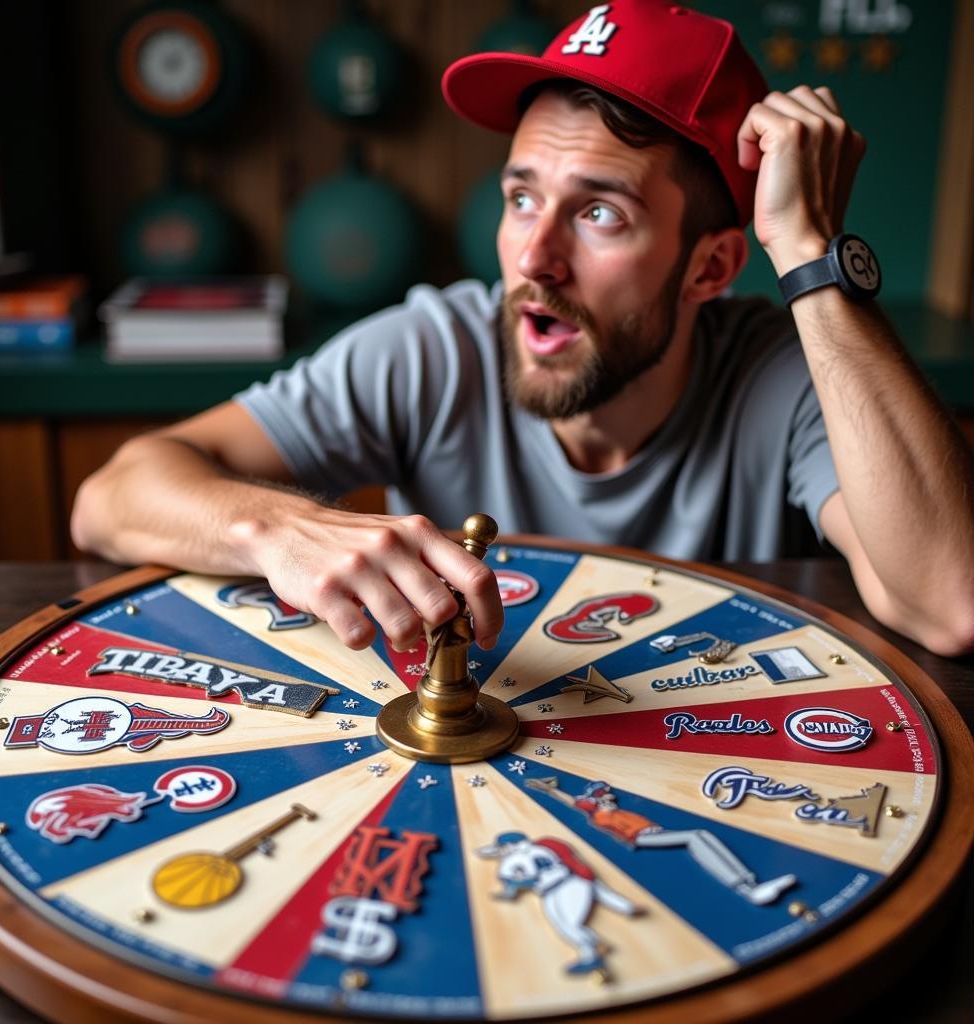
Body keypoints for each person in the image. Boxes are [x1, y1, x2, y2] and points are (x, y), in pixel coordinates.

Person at [71, 0, 974, 658]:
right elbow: (113, 496)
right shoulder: (434, 348)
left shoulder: (785, 372)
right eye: (520, 196)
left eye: (601, 215)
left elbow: (952, 604)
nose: (533, 257)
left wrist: (811, 253)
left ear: (711, 266)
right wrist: (278, 531)